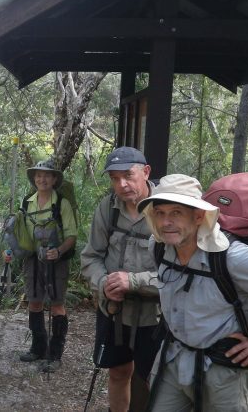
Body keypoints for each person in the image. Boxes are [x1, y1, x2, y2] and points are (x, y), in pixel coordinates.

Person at [137, 174, 248, 411]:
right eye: (160, 213)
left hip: (224, 371)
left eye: (176, 213)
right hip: (172, 357)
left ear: (199, 216)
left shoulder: (233, 258)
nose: (166, 222)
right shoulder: (159, 247)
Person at [80, 146, 160, 412]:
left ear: (146, 172)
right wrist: (104, 283)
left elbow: (179, 274)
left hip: (155, 317)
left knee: (152, 379)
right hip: (114, 312)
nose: (122, 184)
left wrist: (134, 282)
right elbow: (91, 256)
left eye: (128, 175)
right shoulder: (108, 209)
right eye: (114, 178)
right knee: (117, 371)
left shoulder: (167, 209)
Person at [7, 158, 77, 373]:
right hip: (32, 260)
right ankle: (38, 348)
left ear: (54, 179)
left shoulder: (62, 203)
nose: (42, 179)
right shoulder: (27, 202)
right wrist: (10, 250)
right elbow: (19, 231)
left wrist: (59, 251)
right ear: (34, 179)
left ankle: (54, 355)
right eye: (38, 175)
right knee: (34, 302)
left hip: (56, 261)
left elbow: (72, 235)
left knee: (57, 304)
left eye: (47, 175)